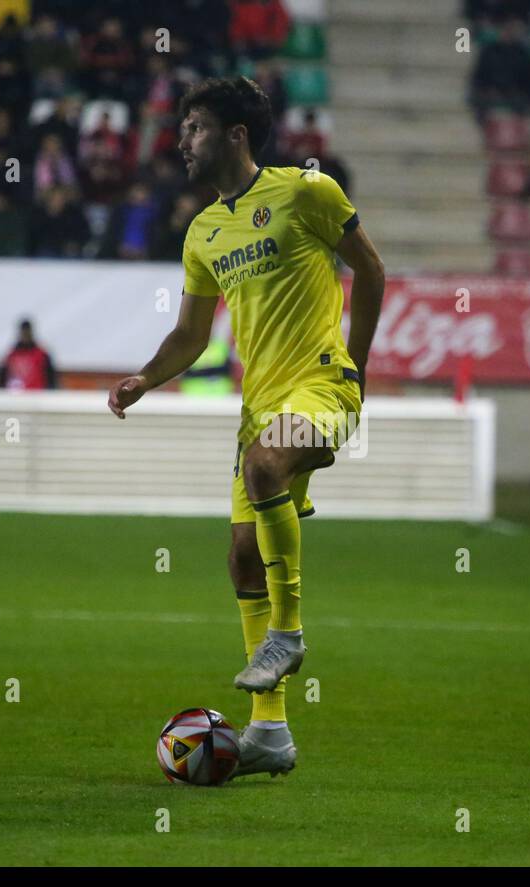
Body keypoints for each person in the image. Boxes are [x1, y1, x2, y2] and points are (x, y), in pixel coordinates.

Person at [107, 77, 386, 779]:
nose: (183, 140)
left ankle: (287, 633)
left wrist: (355, 369)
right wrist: (144, 378)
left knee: (266, 466)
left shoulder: (306, 192)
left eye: (196, 127)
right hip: (258, 407)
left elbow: (370, 269)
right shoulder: (203, 232)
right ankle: (270, 732)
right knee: (241, 556)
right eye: (183, 127)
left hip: (322, 384)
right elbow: (190, 335)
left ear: (235, 134)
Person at [0, 318, 57, 390]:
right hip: (15, 394)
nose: (25, 335)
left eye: (27, 332)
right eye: (24, 332)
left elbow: (51, 379)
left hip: (37, 394)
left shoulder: (42, 355)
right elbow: (2, 379)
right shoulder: (12, 355)